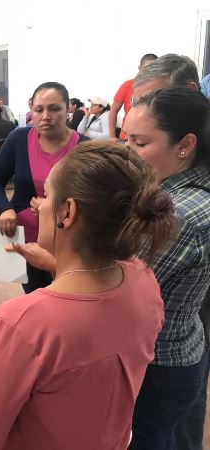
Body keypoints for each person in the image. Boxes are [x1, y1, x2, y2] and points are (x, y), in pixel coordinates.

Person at [0, 141, 175, 450]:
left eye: (47, 195)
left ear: (67, 212)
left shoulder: (22, 324)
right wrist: (55, 264)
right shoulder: (143, 279)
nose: (40, 205)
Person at [123, 87, 210, 450]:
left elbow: (123, 293)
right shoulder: (186, 194)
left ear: (185, 145)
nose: (127, 151)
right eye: (125, 139)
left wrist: (55, 259)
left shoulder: (176, 215)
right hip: (184, 345)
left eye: (140, 142)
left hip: (159, 363)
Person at [0, 82, 89, 293]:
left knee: (68, 298)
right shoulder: (19, 139)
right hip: (28, 242)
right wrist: (5, 208)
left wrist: (54, 207)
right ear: (31, 110)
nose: (46, 116)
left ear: (68, 109)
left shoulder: (84, 149)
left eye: (54, 109)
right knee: (35, 297)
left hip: (69, 246)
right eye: (39, 110)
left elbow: (96, 200)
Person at [108, 53, 158, 141]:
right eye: (146, 68)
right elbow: (113, 111)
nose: (150, 72)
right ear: (139, 68)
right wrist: (112, 136)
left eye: (153, 69)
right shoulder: (128, 85)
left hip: (150, 139)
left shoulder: (161, 86)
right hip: (126, 138)